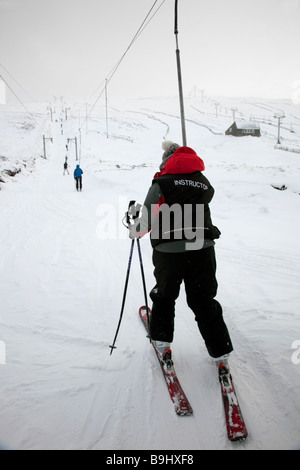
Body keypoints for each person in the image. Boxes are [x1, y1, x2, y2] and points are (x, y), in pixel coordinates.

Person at [129, 141, 233, 367]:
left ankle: (162, 342)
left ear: (167, 161)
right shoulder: (203, 183)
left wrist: (133, 229)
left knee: (165, 296)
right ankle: (220, 352)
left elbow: (145, 220)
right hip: (202, 249)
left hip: (169, 252)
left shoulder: (161, 183)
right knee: (204, 300)